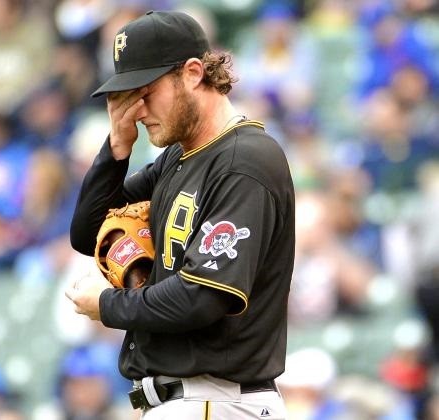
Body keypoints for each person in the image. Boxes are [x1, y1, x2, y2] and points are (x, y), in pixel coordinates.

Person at [66, 10, 295, 419]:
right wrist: (116, 147)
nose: (136, 110)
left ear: (192, 73)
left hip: (216, 398)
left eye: (145, 92)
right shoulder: (178, 157)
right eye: (127, 97)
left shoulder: (245, 160)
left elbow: (201, 298)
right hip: (187, 401)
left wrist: (108, 305)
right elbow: (90, 233)